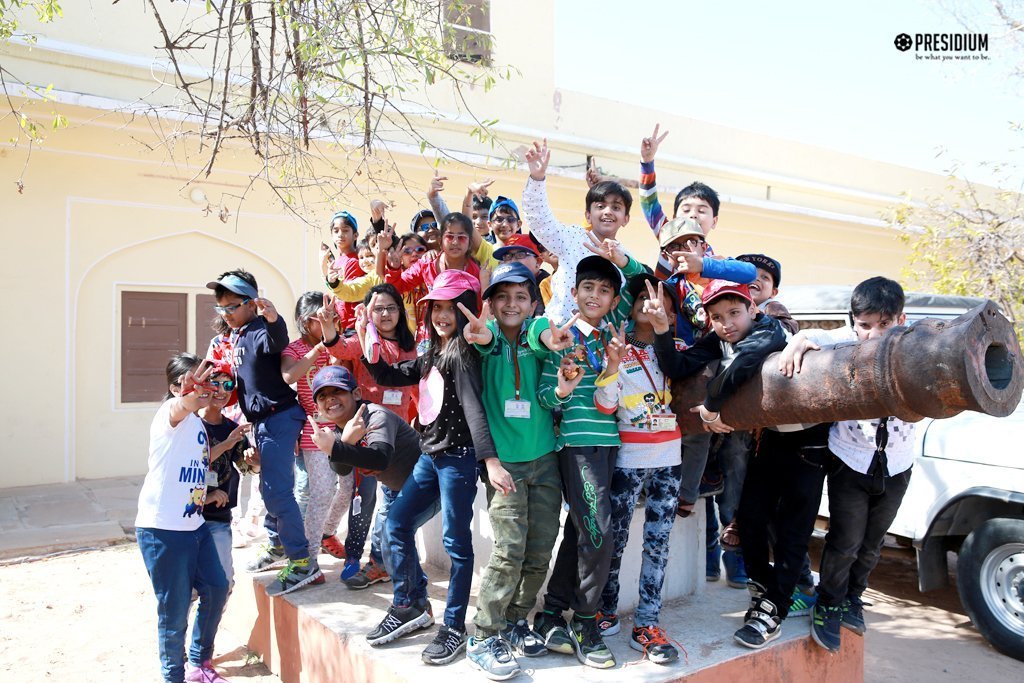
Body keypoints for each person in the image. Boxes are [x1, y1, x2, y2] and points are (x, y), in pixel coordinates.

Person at [653, 281, 811, 651]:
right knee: (750, 518)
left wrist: (711, 408)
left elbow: (743, 364)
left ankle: (783, 602)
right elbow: (677, 365)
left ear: (753, 310)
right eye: (717, 317)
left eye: (735, 313)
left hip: (806, 441)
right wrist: (661, 330)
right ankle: (764, 595)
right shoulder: (719, 338)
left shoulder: (769, 331)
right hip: (766, 437)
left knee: (791, 528)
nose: (727, 323)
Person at [361, 269, 502, 666]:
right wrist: (363, 334)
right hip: (430, 456)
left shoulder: (465, 355)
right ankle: (411, 604)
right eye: (436, 307)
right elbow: (388, 374)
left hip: (458, 460)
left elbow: (474, 410)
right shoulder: (431, 355)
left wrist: (488, 459)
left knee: (457, 544)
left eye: (450, 308)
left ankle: (454, 626)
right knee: (396, 524)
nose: (441, 315)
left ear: (467, 310)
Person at [779, 277, 915, 653]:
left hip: (898, 464)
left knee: (872, 544)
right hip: (849, 460)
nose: (874, 334)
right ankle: (829, 602)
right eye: (865, 325)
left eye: (885, 324)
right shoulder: (844, 341)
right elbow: (812, 336)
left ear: (901, 319)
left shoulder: (914, 344)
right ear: (854, 321)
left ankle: (853, 598)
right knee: (845, 542)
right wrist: (797, 342)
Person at [459, 262, 576, 679]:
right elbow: (486, 340)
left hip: (545, 461)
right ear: (490, 304)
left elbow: (544, 335)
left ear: (532, 304)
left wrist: (551, 339)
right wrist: (480, 335)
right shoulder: (485, 339)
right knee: (509, 551)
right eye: (503, 297)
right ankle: (483, 635)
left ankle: (514, 620)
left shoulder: (537, 331)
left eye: (521, 297)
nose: (512, 304)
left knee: (540, 549)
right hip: (504, 465)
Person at [532, 254, 633, 670]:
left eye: (604, 290)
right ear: (573, 293)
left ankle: (552, 612)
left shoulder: (611, 339)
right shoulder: (560, 336)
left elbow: (611, 400)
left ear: (613, 301)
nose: (595, 295)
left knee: (581, 532)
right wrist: (561, 389)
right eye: (588, 287)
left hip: (609, 445)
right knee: (599, 532)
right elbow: (543, 397)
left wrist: (613, 363)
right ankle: (586, 621)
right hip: (576, 446)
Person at [206, 270, 319, 594]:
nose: (226, 313)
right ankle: (279, 545)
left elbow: (276, 341)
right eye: (221, 308)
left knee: (277, 492)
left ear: (251, 303)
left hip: (279, 418)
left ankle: (303, 563)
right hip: (262, 422)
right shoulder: (238, 334)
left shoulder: (259, 329)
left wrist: (273, 319)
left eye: (232, 306)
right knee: (269, 490)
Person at [596, 274, 686, 665]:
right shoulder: (616, 344)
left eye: (661, 300)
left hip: (669, 456)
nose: (650, 305)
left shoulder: (678, 349)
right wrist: (613, 363)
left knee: (658, 543)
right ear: (630, 309)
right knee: (615, 540)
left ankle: (647, 623)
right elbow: (605, 403)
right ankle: (605, 610)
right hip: (629, 457)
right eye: (642, 300)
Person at [136, 354, 230, 683]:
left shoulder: (197, 424)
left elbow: (190, 467)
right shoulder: (169, 414)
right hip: (163, 530)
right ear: (176, 388)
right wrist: (188, 397)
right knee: (174, 612)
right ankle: (173, 676)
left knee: (217, 587)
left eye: (206, 381)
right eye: (194, 382)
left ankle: (199, 663)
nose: (204, 388)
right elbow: (180, 407)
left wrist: (205, 494)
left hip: (194, 525)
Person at [305, 365, 424, 594]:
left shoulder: (375, 415)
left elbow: (380, 459)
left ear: (357, 393)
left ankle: (413, 597)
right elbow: (341, 469)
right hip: (396, 486)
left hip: (427, 482)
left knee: (397, 531)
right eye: (322, 396)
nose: (330, 399)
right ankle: (389, 571)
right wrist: (342, 444)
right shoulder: (341, 428)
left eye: (337, 391)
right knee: (386, 533)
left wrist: (337, 448)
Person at [522, 138, 636, 325]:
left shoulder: (626, 260)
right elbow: (539, 220)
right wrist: (537, 178)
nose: (608, 211)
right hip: (556, 333)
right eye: (600, 206)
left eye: (616, 207)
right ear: (588, 215)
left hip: (597, 341)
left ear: (626, 219)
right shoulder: (571, 237)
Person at [281, 293, 355, 566]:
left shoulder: (339, 343)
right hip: (313, 433)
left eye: (332, 316)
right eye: (321, 318)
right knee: (321, 493)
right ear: (305, 321)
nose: (329, 321)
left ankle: (327, 532)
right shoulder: (294, 350)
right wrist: (319, 349)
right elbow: (289, 376)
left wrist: (334, 347)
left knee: (347, 489)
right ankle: (308, 560)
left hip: (344, 430)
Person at [199, 360, 254, 594]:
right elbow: (189, 464)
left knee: (224, 583)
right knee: (190, 586)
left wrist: (255, 460)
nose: (222, 390)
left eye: (228, 384)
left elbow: (248, 469)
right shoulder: (189, 425)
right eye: (215, 383)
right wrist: (206, 495)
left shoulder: (232, 428)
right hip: (188, 517)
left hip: (219, 517)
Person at [736, 253, 798, 334]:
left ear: (773, 292)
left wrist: (759, 316)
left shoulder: (772, 307)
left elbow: (788, 330)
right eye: (749, 275)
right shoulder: (727, 304)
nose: (756, 278)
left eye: (765, 277)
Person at [324, 210, 364, 330]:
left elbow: (346, 294)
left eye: (345, 230)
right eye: (336, 231)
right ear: (331, 235)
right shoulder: (336, 262)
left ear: (355, 235)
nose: (340, 234)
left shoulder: (355, 261)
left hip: (354, 324)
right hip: (342, 325)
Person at [493, 234, 546, 316]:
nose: (512, 261)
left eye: (520, 255)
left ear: (538, 262)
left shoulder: (549, 285)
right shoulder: (504, 285)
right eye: (507, 256)